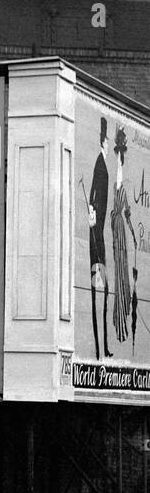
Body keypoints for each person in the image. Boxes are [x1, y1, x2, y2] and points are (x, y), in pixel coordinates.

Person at [108, 125, 137, 347]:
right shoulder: (118, 186)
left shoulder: (123, 190)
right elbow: (118, 175)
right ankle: (119, 322)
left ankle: (123, 320)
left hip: (123, 237)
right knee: (120, 274)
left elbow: (127, 215)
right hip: (118, 235)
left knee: (124, 275)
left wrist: (134, 236)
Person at [88, 118, 112, 359]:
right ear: (103, 141)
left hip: (100, 239)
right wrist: (93, 215)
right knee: (100, 289)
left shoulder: (102, 164)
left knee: (104, 291)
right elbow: (94, 202)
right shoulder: (99, 165)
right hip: (97, 242)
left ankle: (102, 347)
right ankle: (98, 347)